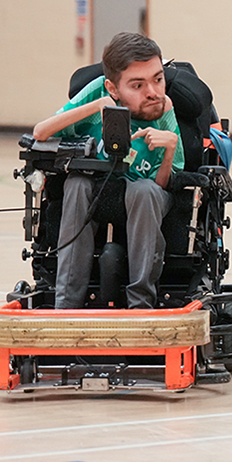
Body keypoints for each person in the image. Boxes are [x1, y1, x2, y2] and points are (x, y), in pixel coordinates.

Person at [31, 32, 184, 309]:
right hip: (97, 186)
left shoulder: (164, 110)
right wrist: (97, 106)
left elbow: (164, 184)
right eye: (138, 85)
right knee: (77, 183)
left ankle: (141, 305)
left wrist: (170, 149)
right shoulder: (99, 92)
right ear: (113, 88)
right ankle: (66, 305)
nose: (152, 92)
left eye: (158, 79)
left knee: (145, 191)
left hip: (143, 193)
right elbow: (41, 132)